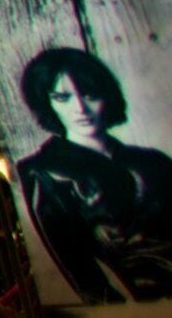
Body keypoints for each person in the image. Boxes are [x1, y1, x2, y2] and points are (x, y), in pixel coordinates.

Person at [13, 44, 172, 302]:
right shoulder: (44, 170)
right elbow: (80, 271)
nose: (80, 109)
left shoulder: (153, 161)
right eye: (62, 97)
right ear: (47, 102)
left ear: (105, 96)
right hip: (139, 308)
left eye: (89, 94)